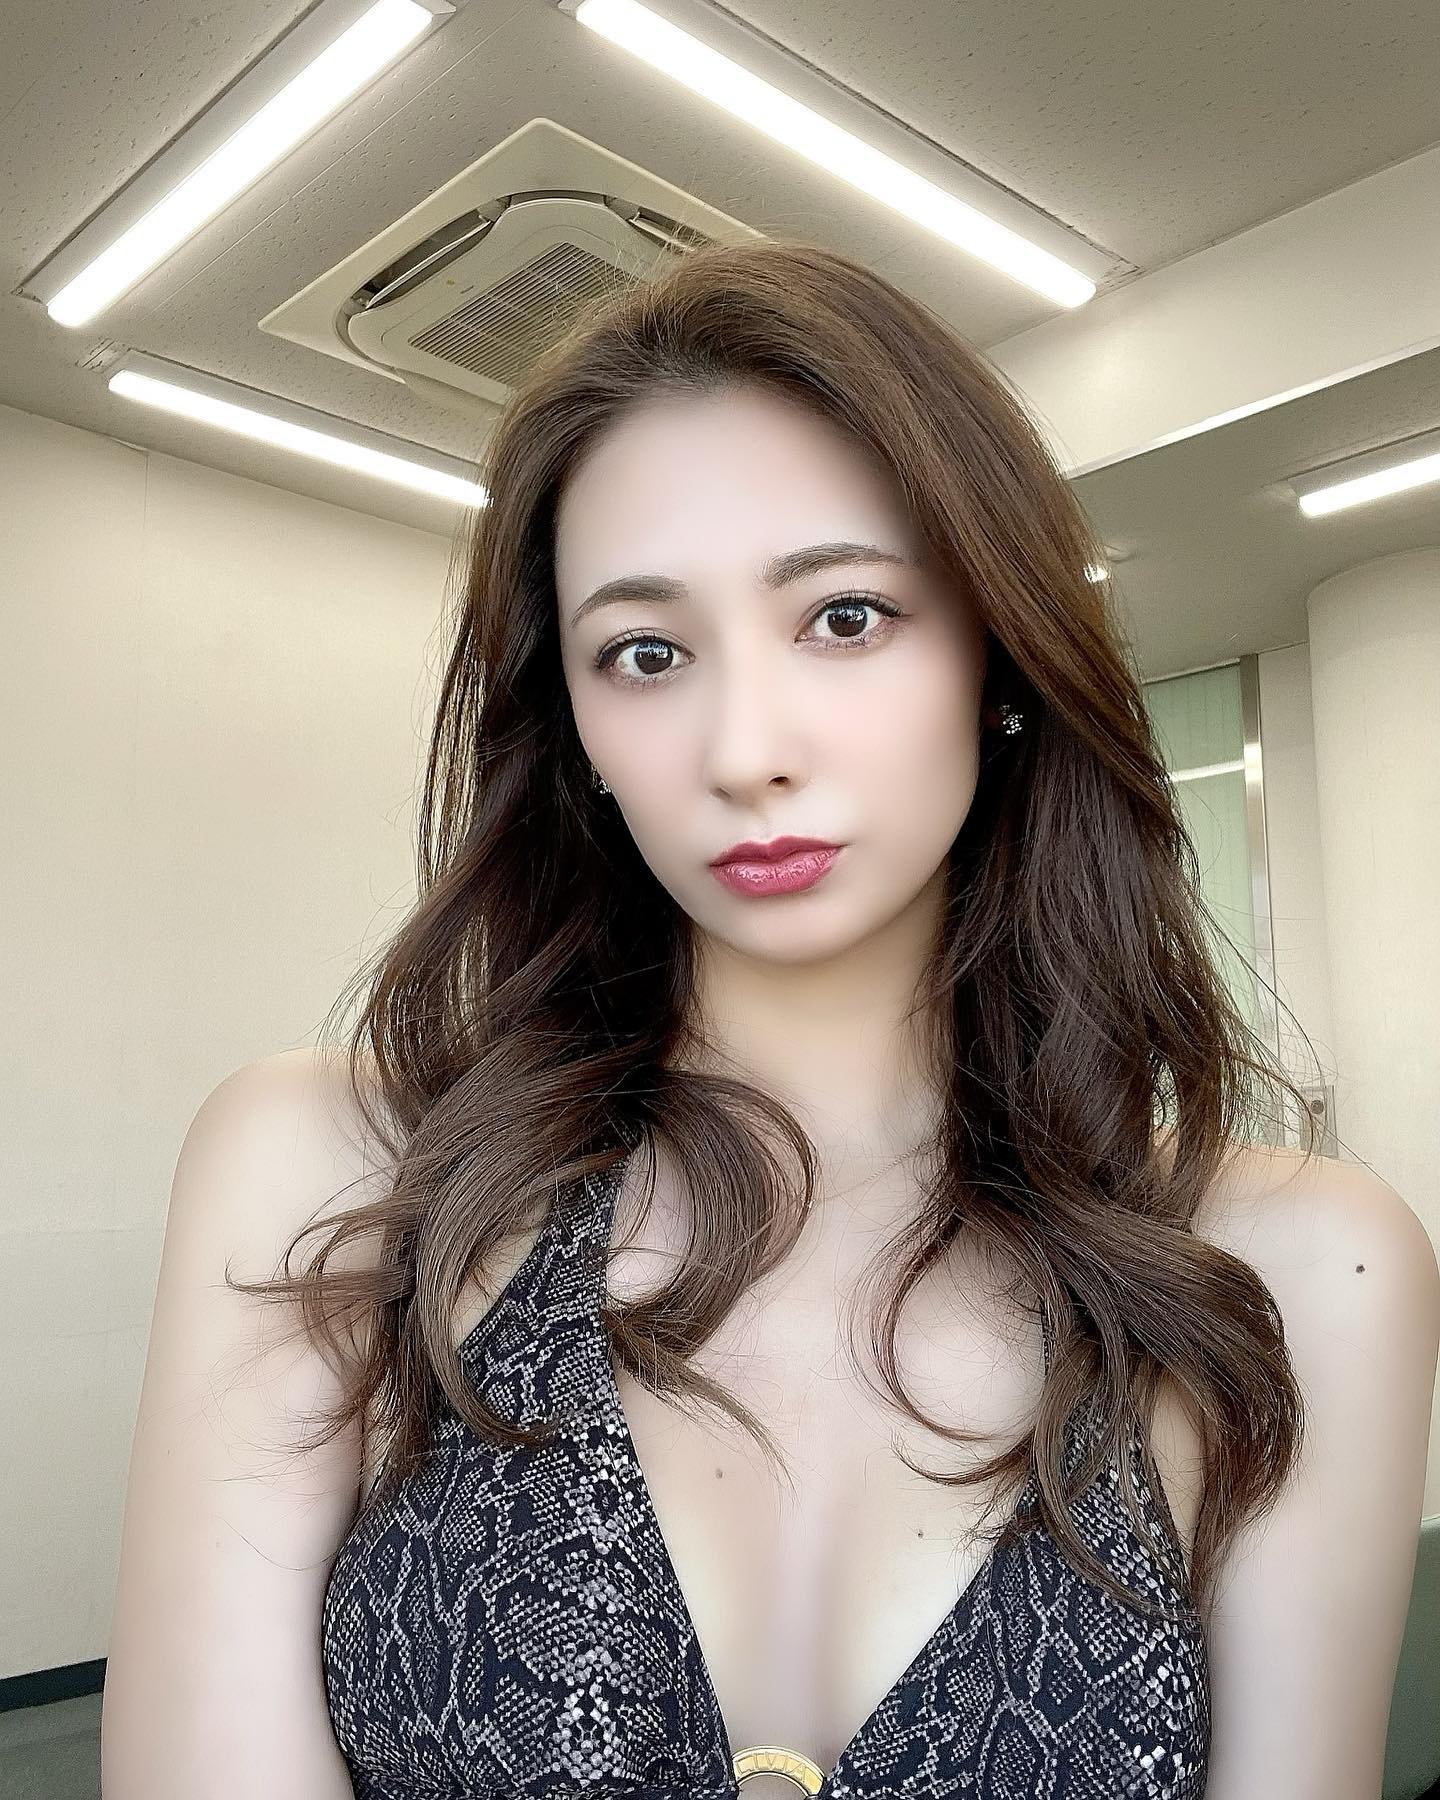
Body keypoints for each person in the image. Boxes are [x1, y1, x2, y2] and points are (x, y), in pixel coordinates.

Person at [101, 239, 1439, 1800]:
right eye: (646, 653)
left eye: (846, 617)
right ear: (578, 728)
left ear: (998, 655)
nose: (744, 750)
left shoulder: (1298, 1272)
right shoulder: (332, 1181)